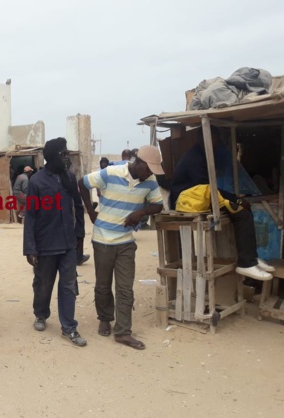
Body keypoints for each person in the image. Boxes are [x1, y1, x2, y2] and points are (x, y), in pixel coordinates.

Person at [79, 145, 165, 350]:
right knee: (102, 285)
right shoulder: (111, 172)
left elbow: (158, 205)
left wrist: (140, 213)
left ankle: (123, 331)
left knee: (125, 288)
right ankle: (105, 318)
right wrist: (91, 212)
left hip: (126, 242)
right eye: (148, 169)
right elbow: (81, 184)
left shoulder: (150, 181)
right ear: (139, 162)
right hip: (102, 239)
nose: (150, 174)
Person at [169, 127, 274, 281]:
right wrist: (236, 199)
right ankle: (246, 263)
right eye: (214, 140)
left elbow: (208, 190)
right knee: (242, 213)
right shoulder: (195, 158)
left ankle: (251, 257)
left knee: (244, 209)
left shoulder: (201, 155)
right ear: (203, 139)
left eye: (217, 140)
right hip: (186, 201)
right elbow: (209, 189)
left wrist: (236, 199)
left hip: (198, 197)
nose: (217, 143)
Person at [24, 137, 87, 347]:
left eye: (67, 153)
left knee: (68, 285)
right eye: (63, 154)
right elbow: (30, 216)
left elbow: (78, 207)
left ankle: (69, 327)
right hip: (45, 244)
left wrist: (79, 236)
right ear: (51, 157)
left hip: (68, 243)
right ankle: (41, 314)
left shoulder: (69, 178)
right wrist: (30, 248)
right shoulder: (36, 182)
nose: (66, 157)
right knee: (43, 283)